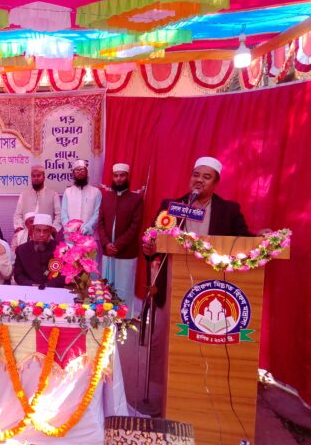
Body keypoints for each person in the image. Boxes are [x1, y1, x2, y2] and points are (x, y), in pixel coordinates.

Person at [142, 156, 253, 408]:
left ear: (216, 183)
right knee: (168, 342)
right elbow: (154, 238)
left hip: (211, 289)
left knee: (202, 344)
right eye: (196, 175)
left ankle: (202, 396)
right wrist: (149, 247)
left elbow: (245, 241)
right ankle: (168, 397)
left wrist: (262, 238)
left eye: (206, 176)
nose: (199, 180)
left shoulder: (229, 210)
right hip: (173, 285)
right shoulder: (172, 206)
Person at [98, 163, 143, 318]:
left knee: (124, 287)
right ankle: (106, 315)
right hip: (108, 251)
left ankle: (123, 318)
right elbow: (100, 223)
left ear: (127, 177)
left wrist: (117, 245)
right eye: (116, 176)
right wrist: (106, 244)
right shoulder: (106, 198)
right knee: (107, 286)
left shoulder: (136, 199)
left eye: (122, 175)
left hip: (126, 252)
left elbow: (135, 227)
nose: (118, 179)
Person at [14, 214, 65, 288]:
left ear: (50, 231)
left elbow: (64, 274)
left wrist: (47, 286)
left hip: (54, 290)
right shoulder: (21, 250)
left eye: (45, 231)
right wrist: (31, 285)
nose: (41, 234)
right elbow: (18, 275)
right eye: (38, 230)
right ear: (33, 230)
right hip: (30, 289)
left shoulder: (62, 249)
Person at [13, 163, 61, 233]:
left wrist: (54, 228)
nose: (36, 178)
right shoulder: (24, 194)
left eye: (38, 175)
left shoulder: (53, 194)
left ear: (44, 177)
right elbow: (18, 215)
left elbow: (59, 215)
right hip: (26, 232)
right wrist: (19, 227)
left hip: (46, 233)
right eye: (33, 176)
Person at [61, 160, 102, 236]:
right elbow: (64, 213)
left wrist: (87, 227)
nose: (80, 172)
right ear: (73, 174)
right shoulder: (67, 192)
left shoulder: (96, 192)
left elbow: (97, 213)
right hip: (71, 235)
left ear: (87, 172)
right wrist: (70, 227)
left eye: (82, 170)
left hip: (89, 235)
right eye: (77, 170)